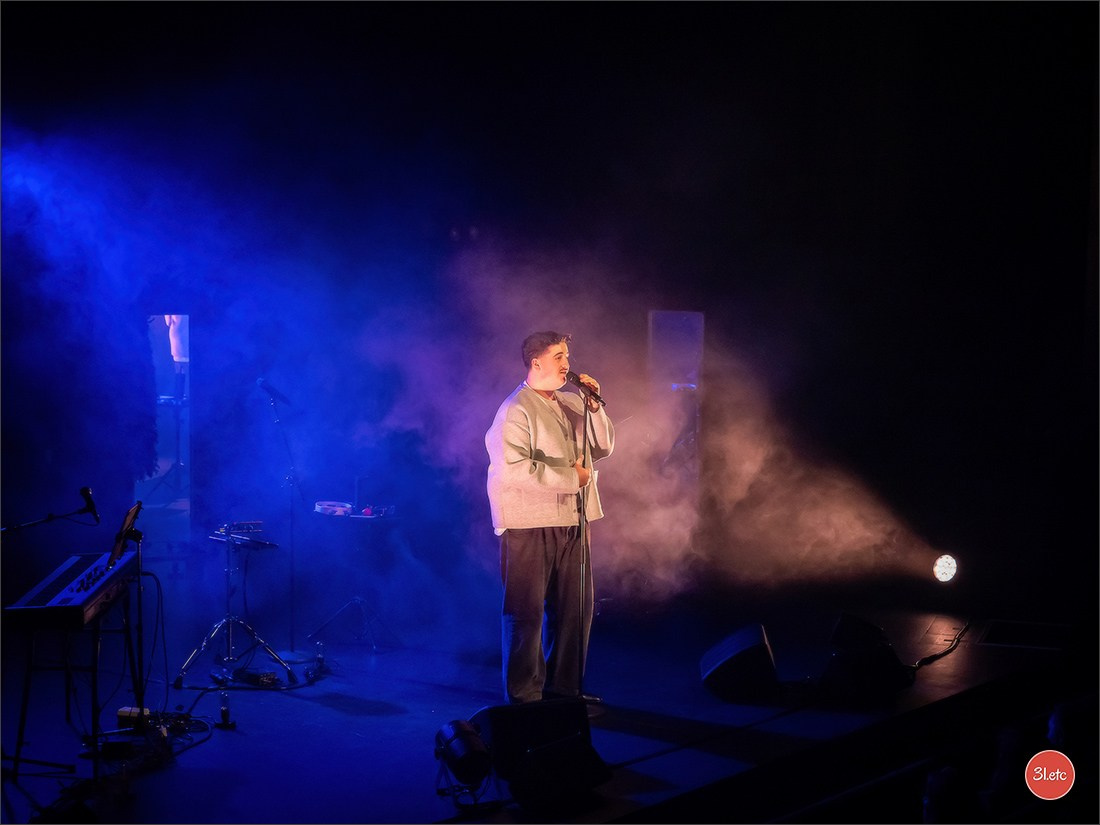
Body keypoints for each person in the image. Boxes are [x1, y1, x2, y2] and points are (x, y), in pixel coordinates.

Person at [485, 331, 615, 705]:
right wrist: (570, 478)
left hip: (573, 520)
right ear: (536, 362)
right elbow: (512, 471)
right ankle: (525, 698)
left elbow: (603, 447)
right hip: (529, 524)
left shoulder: (572, 402)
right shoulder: (514, 410)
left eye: (567, 355)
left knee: (576, 609)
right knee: (526, 614)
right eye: (558, 356)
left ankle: (565, 691)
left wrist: (594, 406)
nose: (567, 364)